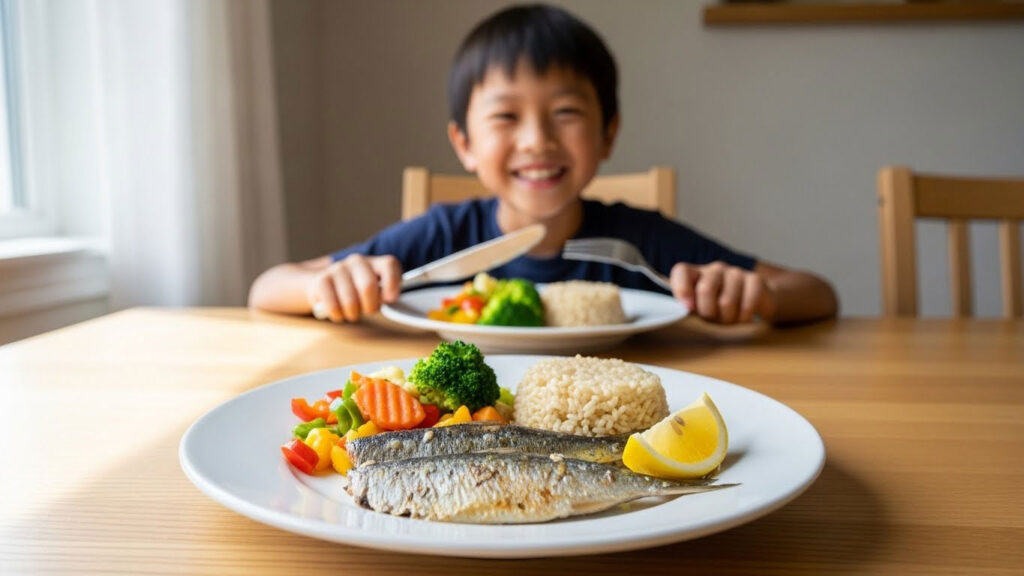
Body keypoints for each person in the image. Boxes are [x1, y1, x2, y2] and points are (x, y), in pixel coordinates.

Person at [249, 3, 837, 326]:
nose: (536, 140)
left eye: (565, 112)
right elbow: (267, 289)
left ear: (608, 133)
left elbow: (817, 292)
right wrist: (328, 286)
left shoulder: (638, 242)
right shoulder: (442, 236)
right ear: (464, 144)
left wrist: (758, 297)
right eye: (506, 117)